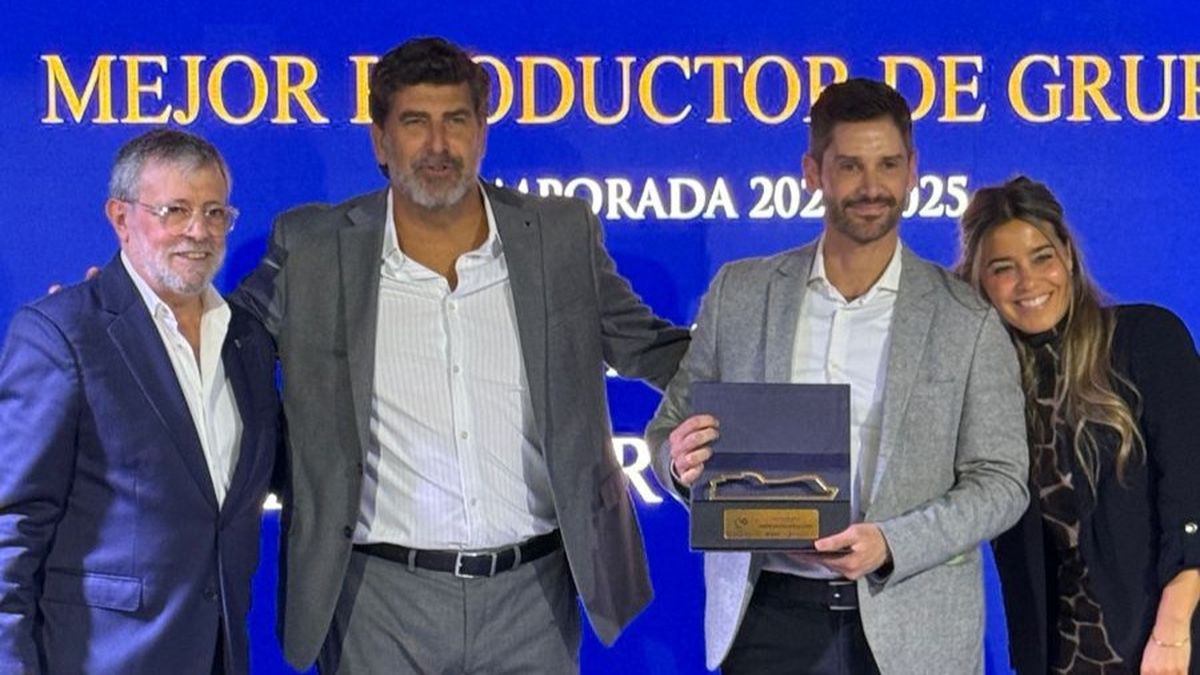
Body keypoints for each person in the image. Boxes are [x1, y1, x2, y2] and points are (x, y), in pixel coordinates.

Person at [230, 37, 689, 673]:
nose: (438, 145)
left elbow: (650, 348)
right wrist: (138, 313)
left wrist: (766, 364)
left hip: (534, 591)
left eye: (457, 121)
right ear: (380, 141)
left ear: (482, 133)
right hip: (375, 596)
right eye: (415, 123)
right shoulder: (312, 247)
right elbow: (225, 346)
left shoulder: (558, 235)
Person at [646, 78, 1030, 675]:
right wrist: (676, 459)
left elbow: (1003, 482)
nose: (871, 187)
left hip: (910, 625)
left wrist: (892, 542)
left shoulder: (967, 320)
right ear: (812, 172)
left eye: (888, 164)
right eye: (849, 165)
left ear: (913, 171)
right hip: (763, 616)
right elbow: (669, 430)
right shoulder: (741, 293)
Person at [0, 129, 280, 674]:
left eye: (215, 212)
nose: (198, 231)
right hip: (100, 659)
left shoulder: (245, 338)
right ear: (121, 218)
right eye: (174, 210)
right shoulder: (62, 334)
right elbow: (11, 529)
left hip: (220, 656)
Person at [957, 176, 1200, 674]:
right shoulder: (989, 389)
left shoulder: (1145, 340)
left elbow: (1191, 492)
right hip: (1060, 656)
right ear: (981, 281)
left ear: (1067, 254)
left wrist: (1173, 633)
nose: (1028, 282)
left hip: (1167, 644)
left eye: (1041, 257)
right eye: (1004, 269)